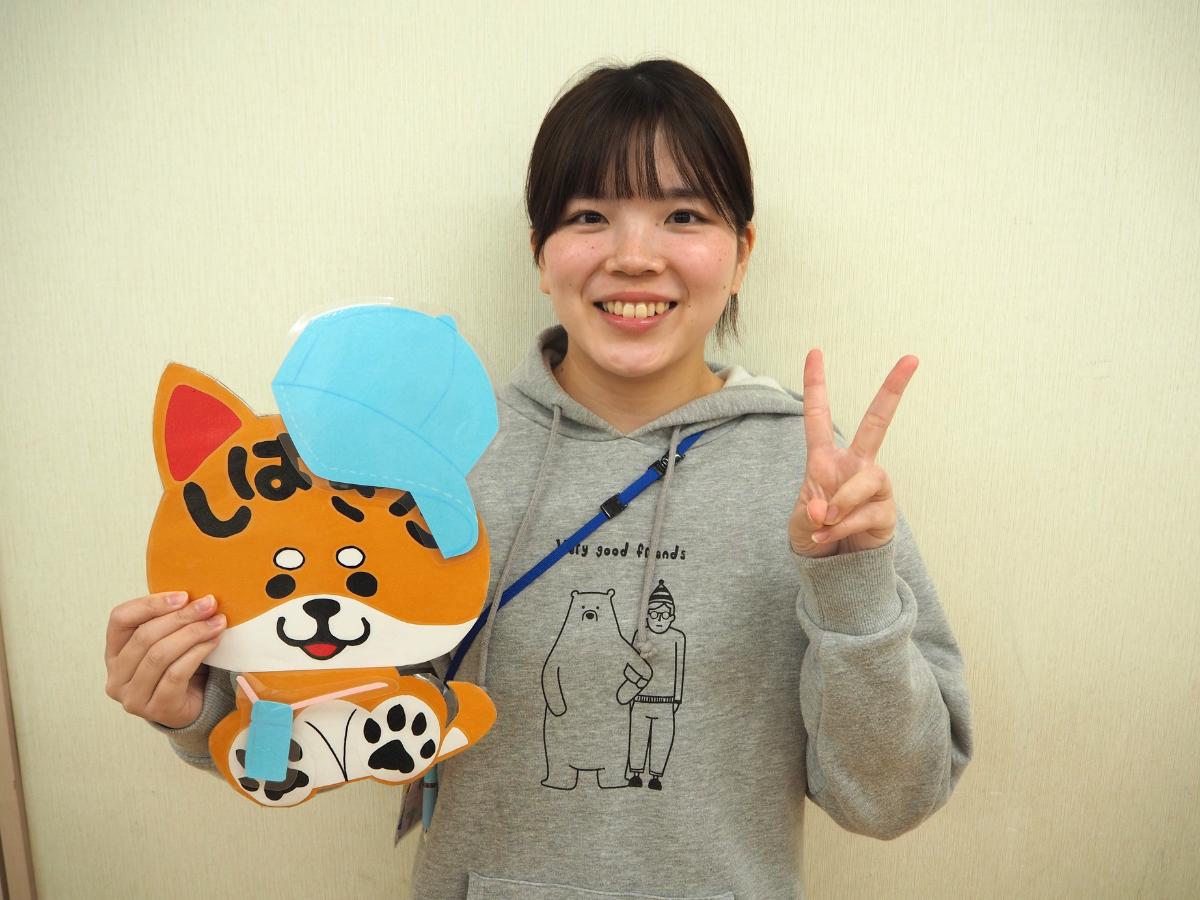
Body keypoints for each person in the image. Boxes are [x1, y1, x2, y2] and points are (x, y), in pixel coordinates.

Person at [105, 58, 973, 899]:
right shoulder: (435, 461)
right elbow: (335, 711)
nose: (634, 257)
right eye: (590, 215)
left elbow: (891, 798)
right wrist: (192, 704)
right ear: (540, 251)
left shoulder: (814, 480)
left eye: (683, 215)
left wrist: (851, 580)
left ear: (742, 252)